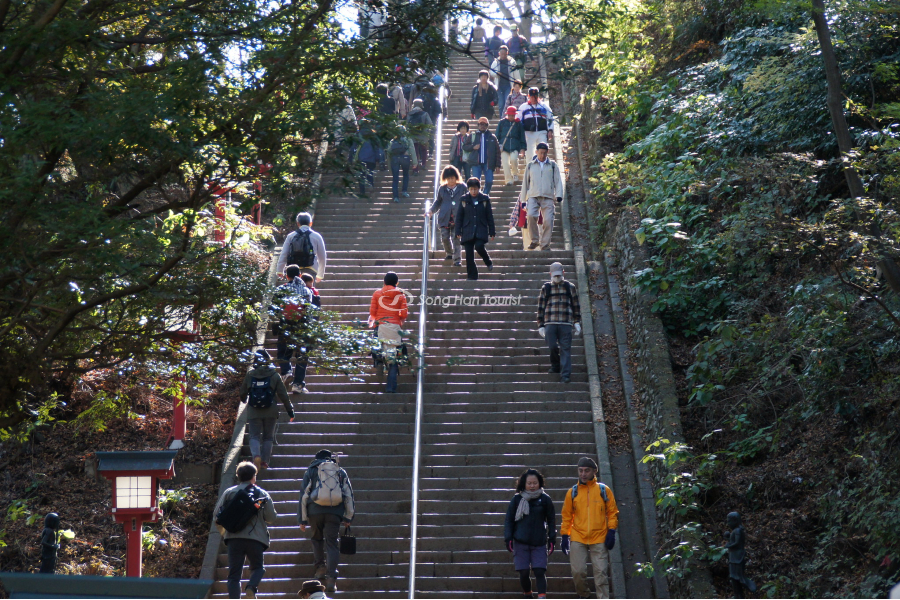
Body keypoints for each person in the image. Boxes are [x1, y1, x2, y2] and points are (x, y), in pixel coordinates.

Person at [215, 461, 278, 599]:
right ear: (254, 476)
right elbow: (271, 518)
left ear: (238, 476)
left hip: (233, 539)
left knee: (234, 576)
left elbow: (217, 516)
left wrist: (226, 533)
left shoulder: (229, 492)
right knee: (258, 568)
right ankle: (251, 587)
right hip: (256, 539)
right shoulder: (262, 494)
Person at [560, 457, 619, 600]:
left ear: (594, 471)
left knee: (601, 573)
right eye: (580, 471)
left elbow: (612, 512)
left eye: (587, 471)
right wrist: (564, 536)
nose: (583, 474)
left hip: (599, 536)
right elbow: (567, 516)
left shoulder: (604, 490)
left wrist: (611, 531)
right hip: (578, 536)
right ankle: (584, 594)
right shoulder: (572, 492)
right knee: (578, 572)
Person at [299, 450, 355, 594]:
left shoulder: (311, 470)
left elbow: (304, 496)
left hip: (314, 512)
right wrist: (348, 517)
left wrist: (302, 519)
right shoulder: (340, 471)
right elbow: (348, 494)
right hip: (334, 512)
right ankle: (331, 579)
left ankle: (320, 568)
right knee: (332, 543)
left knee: (317, 539)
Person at [504, 470, 556, 600]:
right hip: (520, 541)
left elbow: (551, 520)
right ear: (524, 484)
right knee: (524, 572)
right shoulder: (517, 499)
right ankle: (528, 594)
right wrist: (508, 538)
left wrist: (552, 539)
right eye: (529, 483)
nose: (532, 486)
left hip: (539, 542)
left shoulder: (545, 499)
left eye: (535, 483)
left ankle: (542, 597)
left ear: (540, 483)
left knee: (539, 571)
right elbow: (509, 520)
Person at [240, 350, 295, 470]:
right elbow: (283, 395)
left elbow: (243, 392)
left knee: (254, 436)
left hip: (254, 410)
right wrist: (290, 411)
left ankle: (256, 456)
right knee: (268, 437)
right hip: (271, 410)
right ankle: (264, 461)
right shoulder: (274, 375)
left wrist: (244, 399)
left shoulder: (250, 375)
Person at [272, 264, 314, 393]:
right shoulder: (306, 290)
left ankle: (287, 371)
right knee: (302, 355)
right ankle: (298, 385)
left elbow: (274, 308)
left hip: (286, 325)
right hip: (302, 325)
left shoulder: (280, 289)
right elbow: (309, 309)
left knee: (283, 353)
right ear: (300, 276)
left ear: (286, 276)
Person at [537, 262, 581, 383]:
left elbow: (576, 306)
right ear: (550, 274)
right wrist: (540, 325)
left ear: (563, 273)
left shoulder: (570, 287)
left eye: (559, 275)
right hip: (550, 323)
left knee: (565, 348)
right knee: (552, 346)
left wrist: (577, 322)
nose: (557, 277)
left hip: (565, 323)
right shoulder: (546, 288)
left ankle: (565, 375)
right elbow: (541, 307)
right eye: (555, 275)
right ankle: (555, 365)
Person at [368, 271, 409, 393]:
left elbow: (373, 313)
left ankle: (378, 360)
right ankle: (390, 387)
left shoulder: (377, 294)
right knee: (394, 358)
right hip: (394, 327)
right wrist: (399, 319)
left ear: (384, 282)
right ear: (397, 283)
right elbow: (404, 313)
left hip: (380, 325)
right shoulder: (401, 295)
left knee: (376, 345)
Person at [519, 142, 564, 251]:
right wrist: (523, 200)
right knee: (530, 216)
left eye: (544, 153)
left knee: (548, 220)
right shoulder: (530, 165)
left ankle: (545, 244)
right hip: (533, 196)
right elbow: (525, 183)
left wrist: (558, 195)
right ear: (536, 152)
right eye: (540, 153)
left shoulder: (553, 165)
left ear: (547, 152)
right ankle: (534, 240)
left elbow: (558, 181)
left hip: (548, 197)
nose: (542, 155)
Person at [455, 177, 495, 281]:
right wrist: (458, 230)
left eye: (476, 189)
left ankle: (487, 260)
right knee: (469, 255)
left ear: (479, 188)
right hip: (467, 230)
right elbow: (459, 216)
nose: (474, 191)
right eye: (471, 189)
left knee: (479, 246)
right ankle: (472, 275)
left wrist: (492, 231)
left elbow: (489, 216)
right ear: (468, 189)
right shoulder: (464, 200)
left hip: (480, 229)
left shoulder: (485, 199)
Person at [428, 165, 466, 267]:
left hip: (458, 218)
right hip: (444, 218)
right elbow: (438, 202)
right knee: (445, 237)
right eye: (448, 179)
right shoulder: (442, 189)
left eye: (452, 178)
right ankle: (449, 253)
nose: (451, 181)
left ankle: (457, 259)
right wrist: (431, 211)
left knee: (456, 238)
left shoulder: (462, 187)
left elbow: (468, 199)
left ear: (456, 177)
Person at [277, 212, 327, 283]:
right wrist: (320, 274)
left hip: (294, 269)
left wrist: (280, 270)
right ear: (310, 223)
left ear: (298, 223)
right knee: (309, 291)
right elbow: (322, 257)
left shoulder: (291, 236)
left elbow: (284, 253)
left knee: (295, 291)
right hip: (311, 268)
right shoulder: (317, 236)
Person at [464, 117, 500, 195]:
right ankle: (477, 196)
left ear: (487, 126)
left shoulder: (492, 137)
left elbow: (497, 152)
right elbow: (465, 147)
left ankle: (485, 195)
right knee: (476, 182)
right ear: (478, 125)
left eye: (485, 124)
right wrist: (473, 147)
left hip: (488, 164)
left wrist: (498, 165)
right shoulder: (473, 135)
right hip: (476, 163)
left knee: (489, 181)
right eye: (481, 124)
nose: (482, 126)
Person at [724, 512, 757, 598]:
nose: (728, 524)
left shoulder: (738, 530)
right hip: (733, 556)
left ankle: (741, 594)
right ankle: (737, 595)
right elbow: (733, 541)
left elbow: (737, 543)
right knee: (733, 577)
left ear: (735, 521)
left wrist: (728, 545)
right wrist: (728, 538)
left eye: (729, 521)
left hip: (737, 556)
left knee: (737, 577)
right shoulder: (735, 531)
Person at [517, 87, 555, 159]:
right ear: (528, 96)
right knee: (529, 155)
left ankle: (543, 168)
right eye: (532, 96)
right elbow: (518, 120)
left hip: (542, 132)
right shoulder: (523, 107)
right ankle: (530, 169)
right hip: (528, 134)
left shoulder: (544, 106)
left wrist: (550, 130)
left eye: (536, 96)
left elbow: (550, 118)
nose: (534, 98)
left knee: (542, 152)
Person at [352, 119, 383, 196]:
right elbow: (377, 147)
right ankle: (371, 186)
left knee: (361, 175)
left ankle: (362, 192)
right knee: (370, 174)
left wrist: (351, 159)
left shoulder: (358, 135)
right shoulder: (373, 135)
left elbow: (353, 148)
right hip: (371, 158)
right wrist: (378, 159)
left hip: (360, 158)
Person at [496, 106, 527, 185]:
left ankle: (515, 173)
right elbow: (497, 135)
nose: (511, 117)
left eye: (513, 115)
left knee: (513, 159)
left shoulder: (518, 123)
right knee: (505, 163)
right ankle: (508, 180)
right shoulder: (502, 122)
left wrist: (523, 148)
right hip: (504, 146)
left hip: (515, 146)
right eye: (510, 115)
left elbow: (522, 136)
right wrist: (497, 145)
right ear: (507, 114)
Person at [388, 126, 418, 203]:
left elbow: (388, 154)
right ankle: (404, 191)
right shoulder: (408, 139)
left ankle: (395, 196)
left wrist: (389, 167)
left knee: (395, 178)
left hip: (395, 159)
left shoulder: (392, 140)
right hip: (405, 158)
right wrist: (415, 162)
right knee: (405, 174)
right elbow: (412, 150)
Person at [405, 97, 434, 174]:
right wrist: (426, 133)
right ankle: (424, 164)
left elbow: (407, 126)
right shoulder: (425, 114)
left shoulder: (410, 114)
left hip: (413, 136)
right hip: (423, 136)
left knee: (415, 152)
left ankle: (415, 169)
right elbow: (430, 124)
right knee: (424, 150)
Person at [490, 46, 518, 111]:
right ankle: (501, 119)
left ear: (507, 53)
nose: (503, 55)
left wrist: (517, 84)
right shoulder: (495, 62)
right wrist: (496, 73)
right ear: (499, 53)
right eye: (501, 53)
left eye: (504, 53)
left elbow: (516, 74)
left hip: (508, 86)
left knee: (507, 102)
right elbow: (491, 72)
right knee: (501, 104)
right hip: (499, 86)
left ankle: (506, 118)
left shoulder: (512, 62)